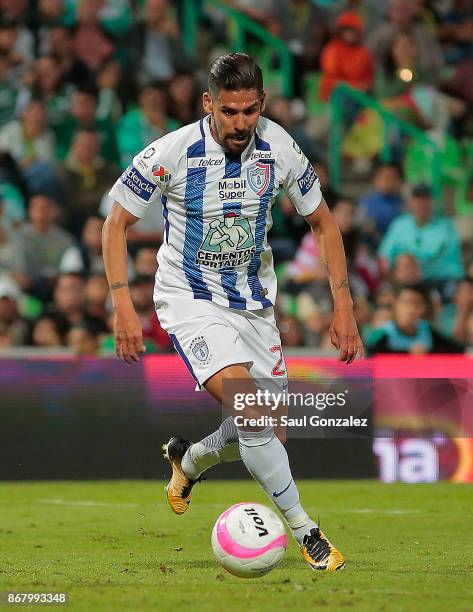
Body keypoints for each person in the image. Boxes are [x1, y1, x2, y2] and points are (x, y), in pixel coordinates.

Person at [102, 53, 364, 572]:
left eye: (249, 111)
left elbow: (325, 225)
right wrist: (122, 307)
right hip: (189, 299)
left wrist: (344, 305)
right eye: (229, 112)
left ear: (261, 104)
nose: (241, 123)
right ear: (209, 105)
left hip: (254, 306)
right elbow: (115, 225)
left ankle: (190, 459)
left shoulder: (281, 147)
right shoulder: (172, 152)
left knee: (264, 427)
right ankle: (307, 532)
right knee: (254, 411)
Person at [378, 183, 464, 290]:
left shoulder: (446, 227)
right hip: (405, 281)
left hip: (439, 281)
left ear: (432, 201)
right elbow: (384, 256)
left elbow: (451, 264)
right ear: (410, 202)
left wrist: (417, 269)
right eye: (417, 199)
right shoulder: (399, 225)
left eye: (426, 199)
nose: (421, 203)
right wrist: (393, 273)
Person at [367, 284, 464, 355]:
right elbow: (370, 355)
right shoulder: (382, 333)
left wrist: (427, 353)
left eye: (417, 304)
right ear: (396, 304)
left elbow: (454, 350)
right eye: (406, 303)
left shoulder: (428, 330)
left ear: (423, 308)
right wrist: (408, 353)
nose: (411, 309)